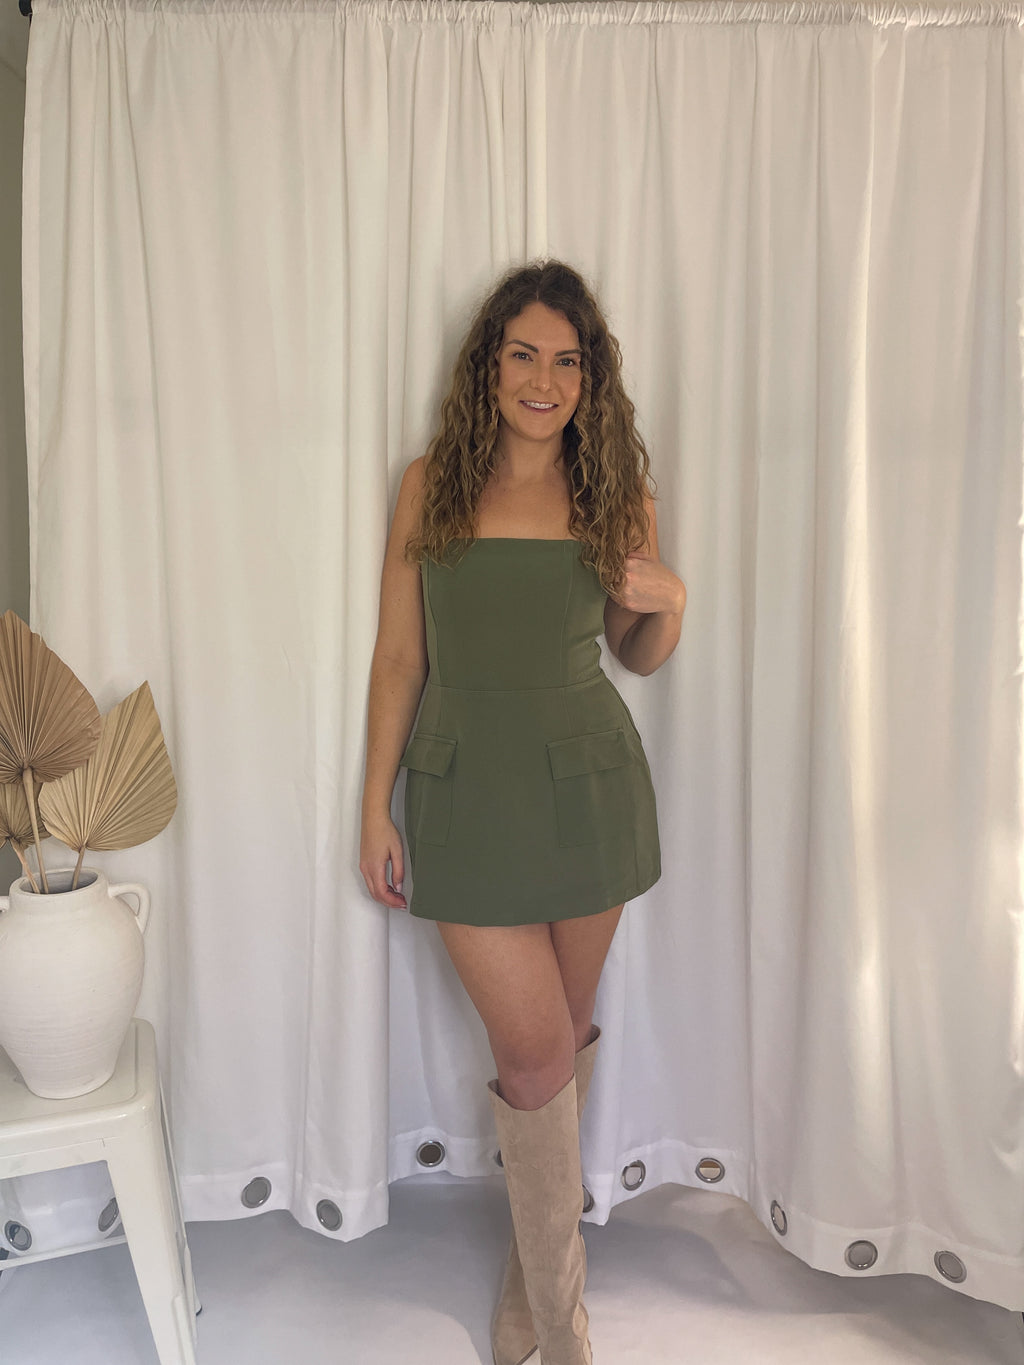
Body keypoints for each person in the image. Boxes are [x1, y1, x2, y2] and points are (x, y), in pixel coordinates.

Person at [360, 260, 685, 1365]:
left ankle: (526, 1287)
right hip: (462, 794)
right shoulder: (427, 486)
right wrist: (373, 805)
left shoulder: (615, 493)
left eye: (567, 360)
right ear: (487, 364)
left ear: (588, 381)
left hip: (588, 789)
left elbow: (634, 653)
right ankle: (562, 1329)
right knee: (539, 1055)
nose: (543, 379)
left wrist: (671, 600)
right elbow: (400, 658)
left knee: (556, 1057)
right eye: (522, 354)